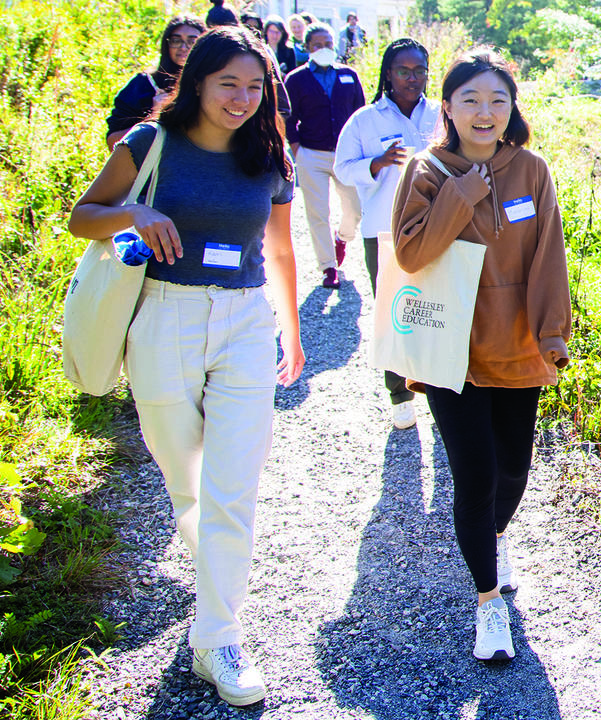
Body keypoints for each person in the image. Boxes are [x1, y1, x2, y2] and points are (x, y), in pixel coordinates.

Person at [68, 26, 303, 707]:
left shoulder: (268, 152)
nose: (242, 98)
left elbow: (281, 252)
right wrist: (134, 214)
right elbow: (82, 217)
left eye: (255, 86)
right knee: (188, 483)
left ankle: (218, 637)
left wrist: (289, 329)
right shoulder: (149, 143)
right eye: (228, 83)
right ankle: (213, 595)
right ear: (196, 80)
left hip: (243, 323)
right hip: (163, 318)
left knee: (232, 487)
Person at [391, 47, 570, 662]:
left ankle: (490, 538)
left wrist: (553, 332)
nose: (485, 111)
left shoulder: (532, 170)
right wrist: (462, 194)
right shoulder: (425, 170)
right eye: (470, 99)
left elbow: (549, 253)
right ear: (448, 108)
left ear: (512, 106)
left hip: (517, 345)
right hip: (451, 351)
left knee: (514, 472)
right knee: (474, 477)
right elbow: (412, 255)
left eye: (497, 99)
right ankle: (488, 603)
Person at [334, 39, 440, 430]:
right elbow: (342, 168)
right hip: (384, 231)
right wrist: (375, 163)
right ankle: (400, 394)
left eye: (419, 71)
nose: (412, 78)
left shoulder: (441, 115)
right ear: (388, 75)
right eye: (403, 71)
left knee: (437, 308)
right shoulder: (366, 120)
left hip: (437, 228)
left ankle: (439, 391)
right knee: (394, 314)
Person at [284, 23, 364, 289]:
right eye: (317, 45)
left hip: (345, 156)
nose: (324, 49)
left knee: (355, 208)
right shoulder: (296, 80)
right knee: (318, 212)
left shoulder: (349, 75)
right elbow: (287, 117)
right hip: (312, 154)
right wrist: (297, 150)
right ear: (307, 48)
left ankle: (342, 237)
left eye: (328, 43)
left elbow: (360, 115)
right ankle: (328, 267)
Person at [104, 15, 205, 148]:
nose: (183, 47)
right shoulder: (144, 84)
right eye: (176, 40)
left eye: (192, 41)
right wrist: (154, 117)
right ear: (166, 44)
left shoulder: (213, 84)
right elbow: (113, 142)